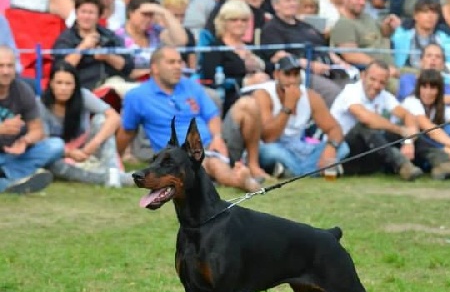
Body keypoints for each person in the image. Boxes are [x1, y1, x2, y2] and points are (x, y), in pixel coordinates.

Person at [118, 46, 262, 193]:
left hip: (215, 145)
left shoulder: (191, 86)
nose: (178, 67)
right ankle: (240, 181)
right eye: (171, 62)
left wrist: (217, 137)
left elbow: (212, 116)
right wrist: (118, 159)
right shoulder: (137, 96)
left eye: (179, 62)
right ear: (155, 68)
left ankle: (253, 166)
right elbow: (127, 131)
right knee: (211, 162)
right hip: (180, 156)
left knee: (248, 104)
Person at [248, 55, 349, 178]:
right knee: (269, 152)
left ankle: (291, 171)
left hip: (299, 148)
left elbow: (335, 129)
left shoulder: (310, 96)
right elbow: (268, 137)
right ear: (276, 75)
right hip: (275, 146)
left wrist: (330, 149)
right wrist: (288, 107)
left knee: (343, 147)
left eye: (296, 75)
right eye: (287, 74)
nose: (292, 80)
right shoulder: (264, 94)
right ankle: (310, 171)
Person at [329, 60, 424, 180]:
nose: (376, 86)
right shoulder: (351, 91)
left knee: (412, 130)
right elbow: (366, 118)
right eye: (372, 79)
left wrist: (409, 141)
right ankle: (402, 165)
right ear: (363, 76)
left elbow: (407, 115)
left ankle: (439, 163)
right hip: (343, 151)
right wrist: (401, 130)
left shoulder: (384, 95)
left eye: (381, 82)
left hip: (367, 151)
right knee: (365, 126)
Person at [39, 62, 129, 186]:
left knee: (101, 119)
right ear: (51, 84)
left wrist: (93, 144)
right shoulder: (40, 104)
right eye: (59, 83)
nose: (63, 88)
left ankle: (112, 171)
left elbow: (114, 117)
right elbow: (43, 142)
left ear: (75, 85)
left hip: (88, 151)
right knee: (53, 164)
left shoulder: (83, 95)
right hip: (60, 155)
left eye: (68, 83)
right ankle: (115, 178)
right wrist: (69, 153)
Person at [260, 0, 347, 107]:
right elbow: (279, 56)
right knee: (335, 93)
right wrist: (310, 65)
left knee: (353, 89)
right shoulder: (271, 28)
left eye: (295, 0)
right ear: (276, 5)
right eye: (287, 1)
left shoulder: (306, 26)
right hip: (299, 74)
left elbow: (324, 48)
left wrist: (341, 63)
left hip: (328, 69)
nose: (292, 4)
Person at [0, 46, 63, 194]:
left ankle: (8, 174)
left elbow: (37, 130)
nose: (6, 71)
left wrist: (25, 142)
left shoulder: (23, 90)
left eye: (10, 66)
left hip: (14, 155)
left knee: (56, 145)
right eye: (1, 66)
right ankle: (10, 182)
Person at [53, 0, 130, 90]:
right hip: (81, 87)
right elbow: (61, 69)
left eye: (91, 13)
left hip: (112, 82)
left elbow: (127, 66)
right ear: (76, 14)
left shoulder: (109, 35)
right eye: (83, 12)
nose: (86, 16)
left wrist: (107, 57)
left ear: (99, 16)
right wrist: (83, 47)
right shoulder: (66, 38)